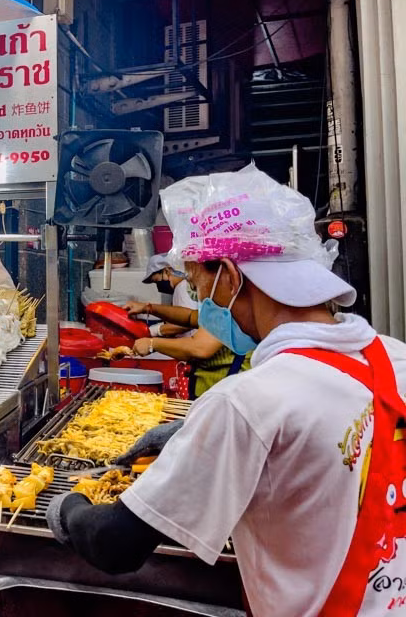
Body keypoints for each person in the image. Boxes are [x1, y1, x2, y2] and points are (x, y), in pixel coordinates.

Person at [45, 164, 402, 616]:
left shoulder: (247, 401)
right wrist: (195, 434)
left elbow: (115, 543)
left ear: (231, 277)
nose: (204, 306)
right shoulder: (396, 358)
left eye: (198, 288)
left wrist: (69, 508)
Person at [124, 255, 250, 398]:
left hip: (225, 394)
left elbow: (200, 348)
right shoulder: (218, 307)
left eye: (194, 282)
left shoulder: (229, 308)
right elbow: (190, 316)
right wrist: (148, 308)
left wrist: (153, 344)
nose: (192, 288)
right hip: (210, 391)